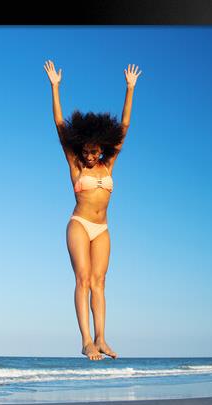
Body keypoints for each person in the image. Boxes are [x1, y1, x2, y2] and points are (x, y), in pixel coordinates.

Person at [43, 60, 142, 360]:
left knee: (100, 283)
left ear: (101, 150)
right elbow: (60, 126)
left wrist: (130, 89)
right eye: (85, 151)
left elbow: (124, 126)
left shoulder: (108, 163)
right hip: (79, 224)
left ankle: (101, 338)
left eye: (94, 151)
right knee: (83, 279)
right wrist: (55, 87)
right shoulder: (75, 166)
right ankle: (85, 340)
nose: (89, 156)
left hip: (103, 229)